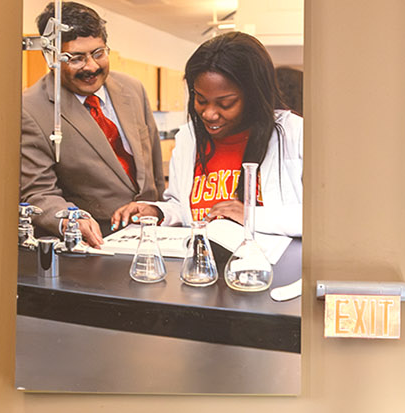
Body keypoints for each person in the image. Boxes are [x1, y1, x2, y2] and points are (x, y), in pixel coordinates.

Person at [19, 3, 165, 250]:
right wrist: (72, 220)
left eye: (98, 53)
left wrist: (161, 210)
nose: (91, 67)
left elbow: (154, 169)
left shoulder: (133, 88)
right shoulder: (31, 108)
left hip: (155, 235)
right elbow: (38, 193)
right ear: (51, 57)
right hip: (95, 244)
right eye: (76, 58)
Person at [156, 31, 302, 239]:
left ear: (253, 97)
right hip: (200, 266)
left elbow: (324, 216)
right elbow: (181, 207)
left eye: (226, 104)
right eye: (201, 100)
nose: (209, 114)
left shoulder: (294, 134)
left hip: (268, 268)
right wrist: (157, 212)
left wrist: (250, 216)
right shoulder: (188, 138)